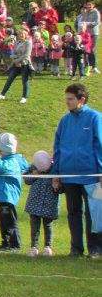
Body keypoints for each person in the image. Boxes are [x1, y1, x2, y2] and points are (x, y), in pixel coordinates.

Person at [51, 83, 102, 258]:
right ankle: (76, 248)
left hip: (91, 176)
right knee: (73, 213)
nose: (67, 102)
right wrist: (56, 173)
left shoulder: (95, 118)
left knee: (93, 213)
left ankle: (95, 248)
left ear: (81, 99)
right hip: (69, 176)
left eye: (71, 99)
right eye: (66, 99)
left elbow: (100, 146)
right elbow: (57, 147)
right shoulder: (64, 121)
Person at [0, 133, 28, 252]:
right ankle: (5, 242)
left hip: (8, 196)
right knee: (3, 220)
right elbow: (3, 175)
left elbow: (3, 169)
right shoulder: (6, 160)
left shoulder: (12, 161)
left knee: (10, 221)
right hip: (2, 195)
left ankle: (15, 244)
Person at [24, 150, 59, 257]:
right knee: (34, 225)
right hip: (34, 202)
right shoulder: (33, 168)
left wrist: (57, 185)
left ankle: (47, 247)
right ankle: (34, 247)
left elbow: (59, 187)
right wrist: (33, 175)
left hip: (49, 203)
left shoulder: (55, 169)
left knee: (47, 225)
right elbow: (26, 180)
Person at [0, 29, 33, 104]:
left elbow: (26, 55)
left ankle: (24, 97)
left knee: (24, 81)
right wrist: (15, 59)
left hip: (24, 64)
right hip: (16, 64)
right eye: (20, 34)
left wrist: (17, 60)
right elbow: (13, 53)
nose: (21, 35)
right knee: (10, 79)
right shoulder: (17, 42)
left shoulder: (28, 43)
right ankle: (2, 94)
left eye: (23, 34)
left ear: (26, 35)